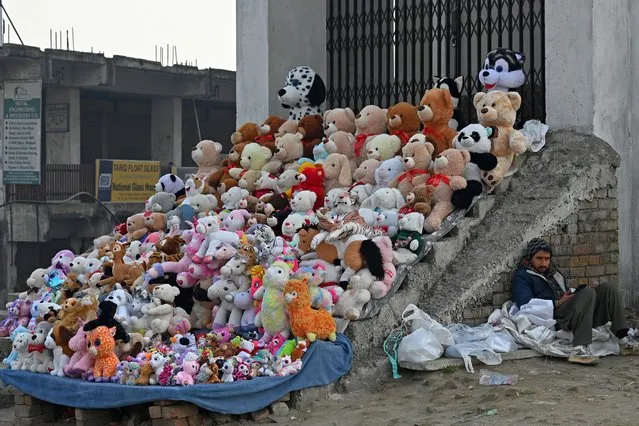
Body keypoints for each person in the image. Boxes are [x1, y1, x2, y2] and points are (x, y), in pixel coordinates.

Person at [511, 238, 638, 365]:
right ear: (530, 258)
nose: (544, 263)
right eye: (539, 258)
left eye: (547, 259)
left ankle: (623, 340)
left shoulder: (554, 273)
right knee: (587, 293)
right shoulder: (522, 275)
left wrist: (574, 294)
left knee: (608, 289)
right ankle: (579, 349)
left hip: (571, 312)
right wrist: (557, 303)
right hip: (553, 316)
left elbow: (564, 291)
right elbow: (525, 305)